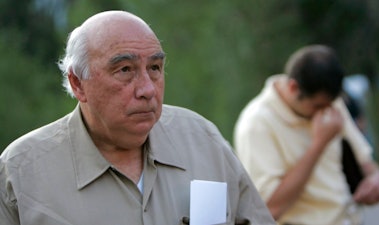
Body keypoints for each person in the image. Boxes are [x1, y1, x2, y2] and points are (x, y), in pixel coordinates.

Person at [0, 10, 276, 225]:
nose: (147, 89)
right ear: (78, 83)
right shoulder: (22, 172)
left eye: (155, 67)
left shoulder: (202, 140)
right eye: (124, 70)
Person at [234, 45, 379, 225]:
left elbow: (368, 164)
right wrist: (319, 144)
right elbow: (269, 208)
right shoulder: (256, 124)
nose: (325, 112)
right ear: (293, 88)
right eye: (317, 106)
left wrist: (378, 179)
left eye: (331, 104)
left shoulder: (329, 103)